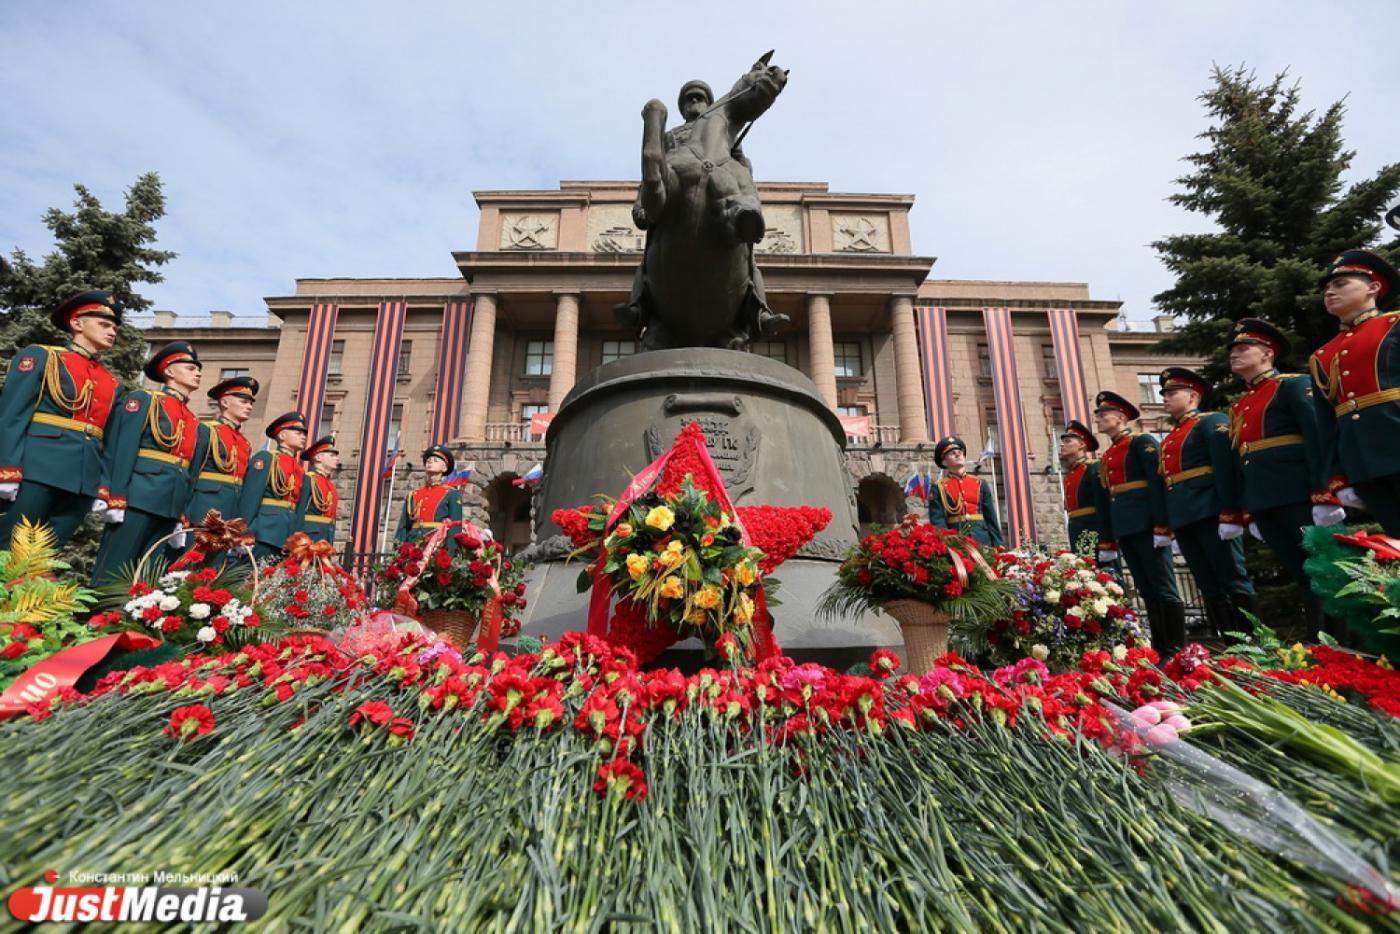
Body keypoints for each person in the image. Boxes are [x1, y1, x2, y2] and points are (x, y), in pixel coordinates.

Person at [1228, 318, 1345, 637]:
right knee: (1302, 573)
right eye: (1232, 350)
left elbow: (1318, 437)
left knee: (1325, 571)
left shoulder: (1291, 385)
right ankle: (1321, 643)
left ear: (1268, 353)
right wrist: (1248, 509)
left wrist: (1325, 492)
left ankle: (1344, 645)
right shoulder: (1241, 405)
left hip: (1300, 494)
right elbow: (1243, 460)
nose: (1234, 354)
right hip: (1265, 500)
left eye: (1243, 348)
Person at [0, 290, 123, 548]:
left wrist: (102, 486)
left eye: (114, 327)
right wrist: (6, 469)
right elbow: (12, 415)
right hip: (36, 470)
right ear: (77, 323)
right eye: (104, 324)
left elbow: (108, 441)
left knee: (47, 558)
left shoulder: (111, 382)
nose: (112, 332)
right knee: (9, 549)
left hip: (82, 481)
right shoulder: (44, 357)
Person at [1155, 367, 1256, 640]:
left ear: (1192, 396)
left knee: (1232, 577)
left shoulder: (1211, 422)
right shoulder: (1171, 437)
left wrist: (1231, 511)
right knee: (1207, 583)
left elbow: (1225, 468)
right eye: (1164, 393)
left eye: (1172, 393)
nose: (1165, 397)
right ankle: (1230, 642)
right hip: (1185, 515)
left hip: (1211, 511)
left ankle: (1253, 642)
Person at [90, 342, 203, 584]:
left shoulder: (192, 419)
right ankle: (99, 609)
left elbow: (189, 470)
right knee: (115, 569)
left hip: (170, 503)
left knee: (147, 577)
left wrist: (182, 515)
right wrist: (115, 495)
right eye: (190, 368)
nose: (198, 373)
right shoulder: (146, 400)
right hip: (138, 496)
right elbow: (122, 448)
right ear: (169, 371)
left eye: (198, 369)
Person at [1308, 248, 1400, 535]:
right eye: (1326, 288)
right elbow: (1327, 426)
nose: (1329, 292)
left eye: (1340, 284)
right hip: (1362, 463)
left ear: (1373, 288)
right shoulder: (1322, 355)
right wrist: (1337, 476)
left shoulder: (1395, 325)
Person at [1093, 390, 1185, 656]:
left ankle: (1176, 648)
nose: (1098, 419)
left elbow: (1157, 483)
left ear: (1121, 418)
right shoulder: (1110, 453)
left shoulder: (1141, 442)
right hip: (1126, 526)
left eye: (1104, 414)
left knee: (1163, 586)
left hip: (1147, 524)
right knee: (1147, 589)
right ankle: (1161, 648)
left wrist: (1162, 524)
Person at [182, 375, 258, 534]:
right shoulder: (207, 430)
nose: (249, 407)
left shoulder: (245, 443)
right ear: (225, 403)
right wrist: (183, 512)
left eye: (251, 403)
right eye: (243, 402)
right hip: (204, 507)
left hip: (230, 511)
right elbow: (191, 471)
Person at [237, 412, 309, 560]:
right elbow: (250, 498)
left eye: (304, 434)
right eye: (298, 433)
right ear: (282, 435)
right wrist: (244, 531)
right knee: (251, 571)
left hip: (287, 533)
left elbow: (298, 508)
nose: (303, 437)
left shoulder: (299, 469)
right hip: (265, 531)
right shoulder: (267, 458)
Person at [927, 435, 1002, 546]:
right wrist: (947, 542)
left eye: (960, 452)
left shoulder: (980, 484)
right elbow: (937, 520)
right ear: (944, 462)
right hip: (956, 540)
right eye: (952, 453)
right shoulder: (939, 487)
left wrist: (997, 543)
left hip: (982, 540)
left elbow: (990, 516)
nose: (958, 454)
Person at [1058, 420, 1112, 558]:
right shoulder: (1070, 474)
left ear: (1082, 445)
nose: (1062, 445)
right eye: (1063, 442)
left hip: (1095, 530)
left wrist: (1107, 540)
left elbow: (1104, 504)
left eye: (1068, 441)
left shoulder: (1093, 468)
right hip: (1077, 529)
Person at [395, 445, 464, 547]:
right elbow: (403, 527)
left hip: (437, 547)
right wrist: (397, 551)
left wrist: (451, 553)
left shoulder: (451, 494)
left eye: (435, 460)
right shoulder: (413, 494)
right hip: (412, 546)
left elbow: (455, 527)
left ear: (444, 468)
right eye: (428, 460)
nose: (430, 462)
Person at [299, 435, 340, 546]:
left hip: (326, 537)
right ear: (318, 458)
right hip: (309, 538)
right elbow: (299, 511)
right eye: (332, 455)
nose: (337, 459)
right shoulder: (308, 479)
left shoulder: (330, 485)